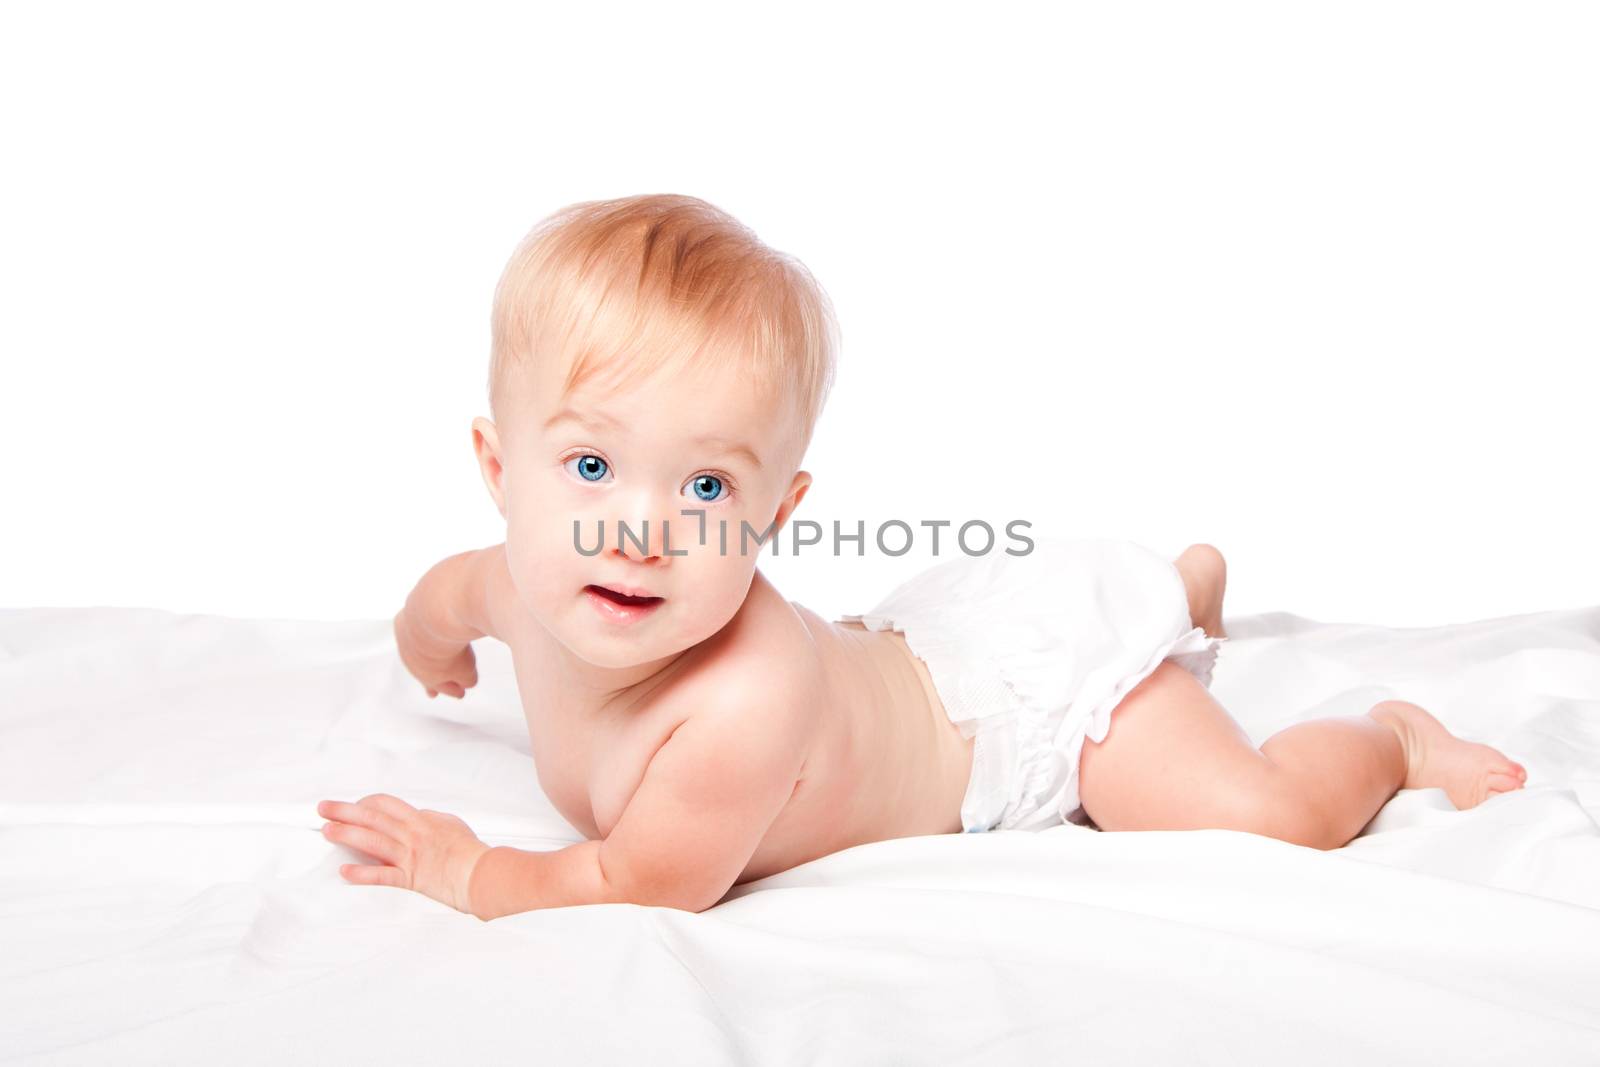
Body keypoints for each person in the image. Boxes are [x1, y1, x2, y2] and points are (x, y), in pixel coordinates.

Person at [316, 194, 1527, 920]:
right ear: (496, 468)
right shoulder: (511, 582)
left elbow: (640, 881)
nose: (640, 530)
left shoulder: (740, 702)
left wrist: (472, 872)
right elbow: (440, 607)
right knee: (1124, 637)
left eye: (704, 486)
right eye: (589, 468)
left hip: (1028, 722)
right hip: (932, 651)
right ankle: (1171, 595)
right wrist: (429, 652)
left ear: (775, 513)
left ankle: (1387, 734)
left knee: (1258, 818)